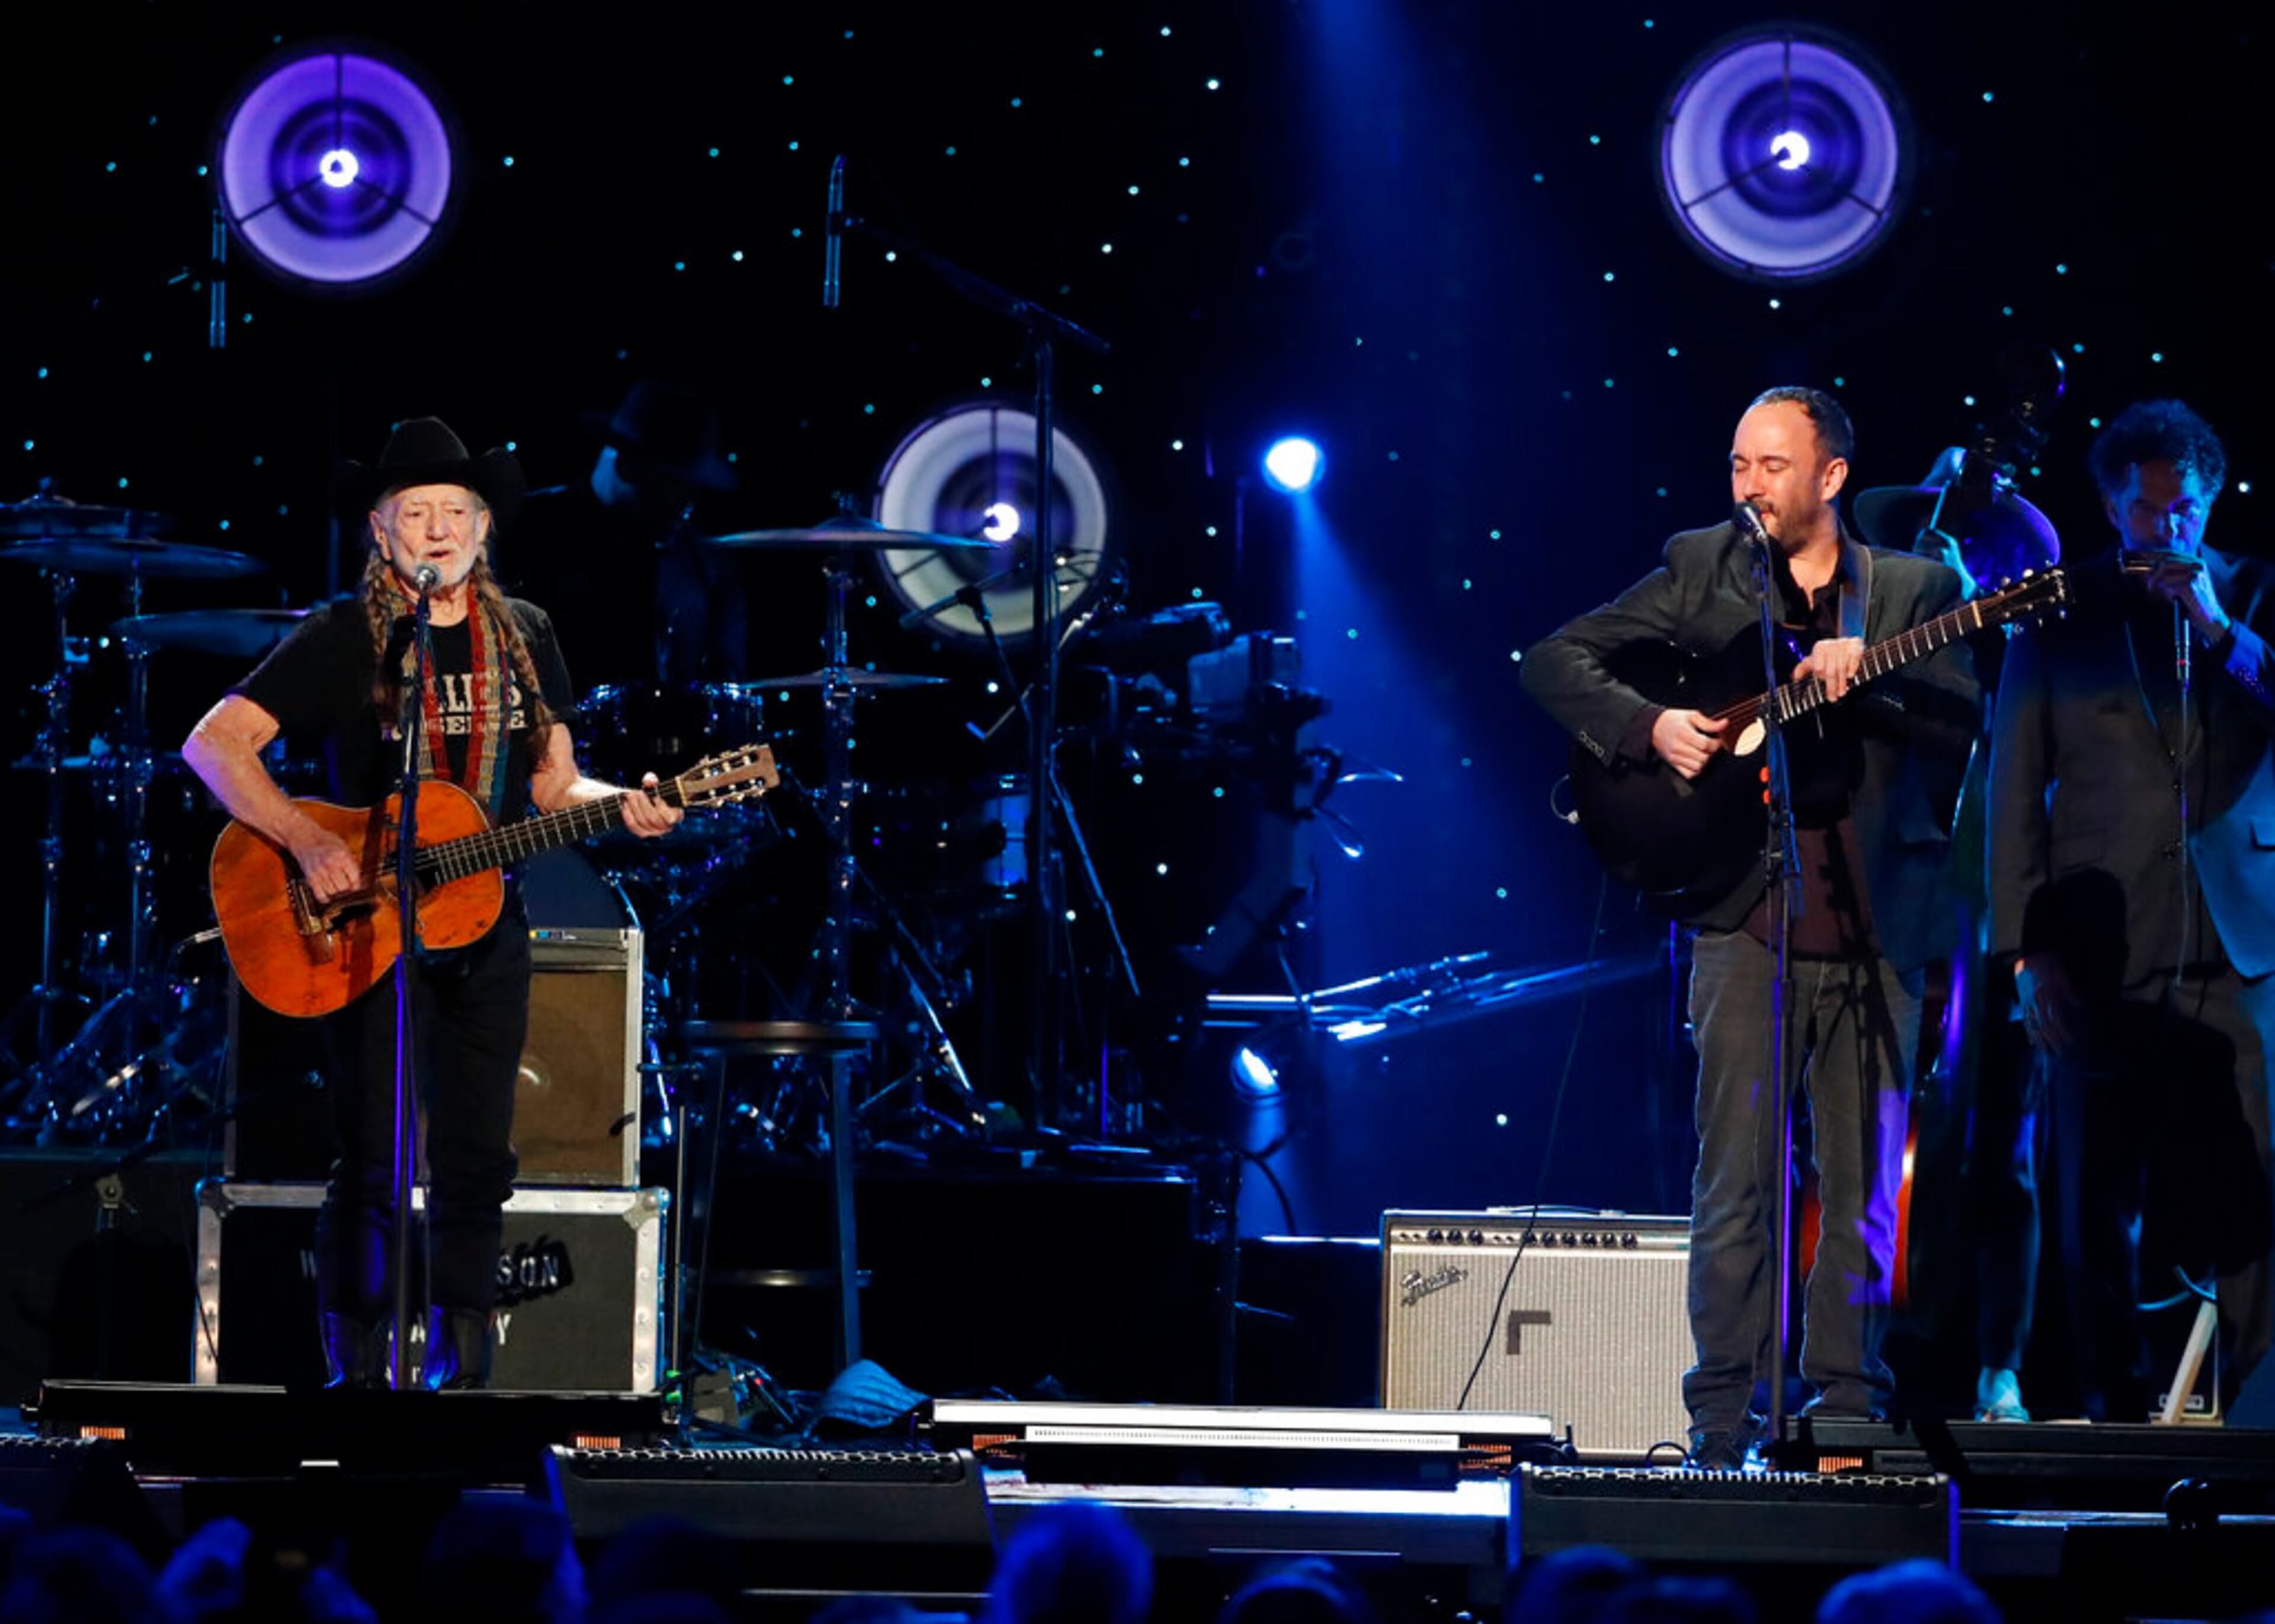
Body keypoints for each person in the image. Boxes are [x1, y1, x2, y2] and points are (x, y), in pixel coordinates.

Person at [1523, 387, 1979, 1466]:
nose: (1749, 485)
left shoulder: (1912, 587)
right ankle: (1722, 1421)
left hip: (1878, 926)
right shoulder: (1705, 569)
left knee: (1863, 1193)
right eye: (1738, 464)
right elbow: (1554, 659)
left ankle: (1847, 1411)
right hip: (1744, 922)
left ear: (1832, 476)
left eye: (1772, 465)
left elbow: (1967, 721)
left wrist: (1869, 686)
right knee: (1734, 1183)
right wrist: (1650, 726)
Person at [182, 418, 680, 1389]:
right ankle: (357, 1370)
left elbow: (552, 784)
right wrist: (308, 837)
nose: (439, 530)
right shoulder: (346, 636)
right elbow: (214, 744)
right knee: (374, 1157)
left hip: (487, 929)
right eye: (416, 513)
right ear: (381, 531)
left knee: (476, 1157)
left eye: (457, 511)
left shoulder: (525, 634)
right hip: (367, 930)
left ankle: (465, 1368)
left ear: (485, 527)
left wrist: (626, 803)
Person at [1988, 398, 2275, 1421]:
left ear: (2211, 499)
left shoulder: (2256, 591)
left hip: (2240, 943)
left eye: (2185, 507)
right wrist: (2027, 951)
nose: (2170, 527)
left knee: (2257, 1189)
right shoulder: (2060, 614)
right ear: (2113, 510)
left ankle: (2256, 1419)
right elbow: (2014, 790)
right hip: (2098, 946)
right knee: (2090, 1199)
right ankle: (2113, 1418)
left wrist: (2221, 629)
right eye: (2148, 511)